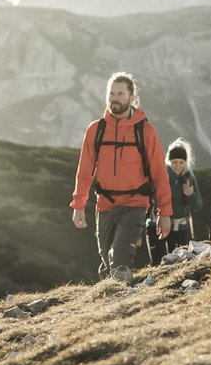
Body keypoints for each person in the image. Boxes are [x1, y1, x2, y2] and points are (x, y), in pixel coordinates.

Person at [70, 72, 173, 280]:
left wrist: (164, 212)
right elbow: (85, 171)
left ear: (132, 97)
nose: (114, 97)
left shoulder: (145, 131)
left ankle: (121, 302)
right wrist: (79, 205)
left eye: (120, 93)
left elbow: (159, 174)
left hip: (135, 204)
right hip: (105, 205)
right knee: (107, 262)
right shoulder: (95, 130)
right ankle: (110, 301)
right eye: (111, 93)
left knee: (120, 257)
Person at [145, 138, 204, 261]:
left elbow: (198, 205)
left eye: (181, 162)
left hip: (180, 228)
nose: (178, 166)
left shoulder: (189, 178)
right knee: (158, 263)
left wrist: (190, 194)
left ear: (186, 162)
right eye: (174, 162)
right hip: (156, 225)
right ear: (168, 161)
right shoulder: (159, 175)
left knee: (178, 263)